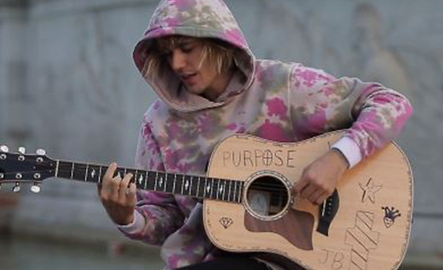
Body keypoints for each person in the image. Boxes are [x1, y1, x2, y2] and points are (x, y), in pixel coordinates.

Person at [97, 0, 413, 269]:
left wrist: (339, 158)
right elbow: (167, 220)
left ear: (218, 41)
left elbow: (390, 103)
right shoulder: (158, 123)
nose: (177, 63)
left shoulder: (283, 85)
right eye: (167, 54)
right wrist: (128, 218)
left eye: (187, 48)